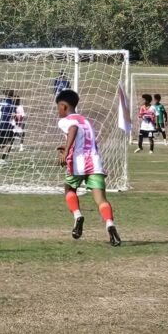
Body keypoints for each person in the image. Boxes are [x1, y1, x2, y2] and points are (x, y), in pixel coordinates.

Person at [56, 89, 121, 246]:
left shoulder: (66, 120)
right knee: (101, 199)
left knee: (69, 189)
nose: (58, 111)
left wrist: (66, 150)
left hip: (78, 163)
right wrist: (67, 146)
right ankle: (109, 224)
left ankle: (78, 215)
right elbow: (85, 140)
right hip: (95, 163)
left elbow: (73, 129)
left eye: (58, 107)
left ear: (64, 106)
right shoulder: (86, 121)